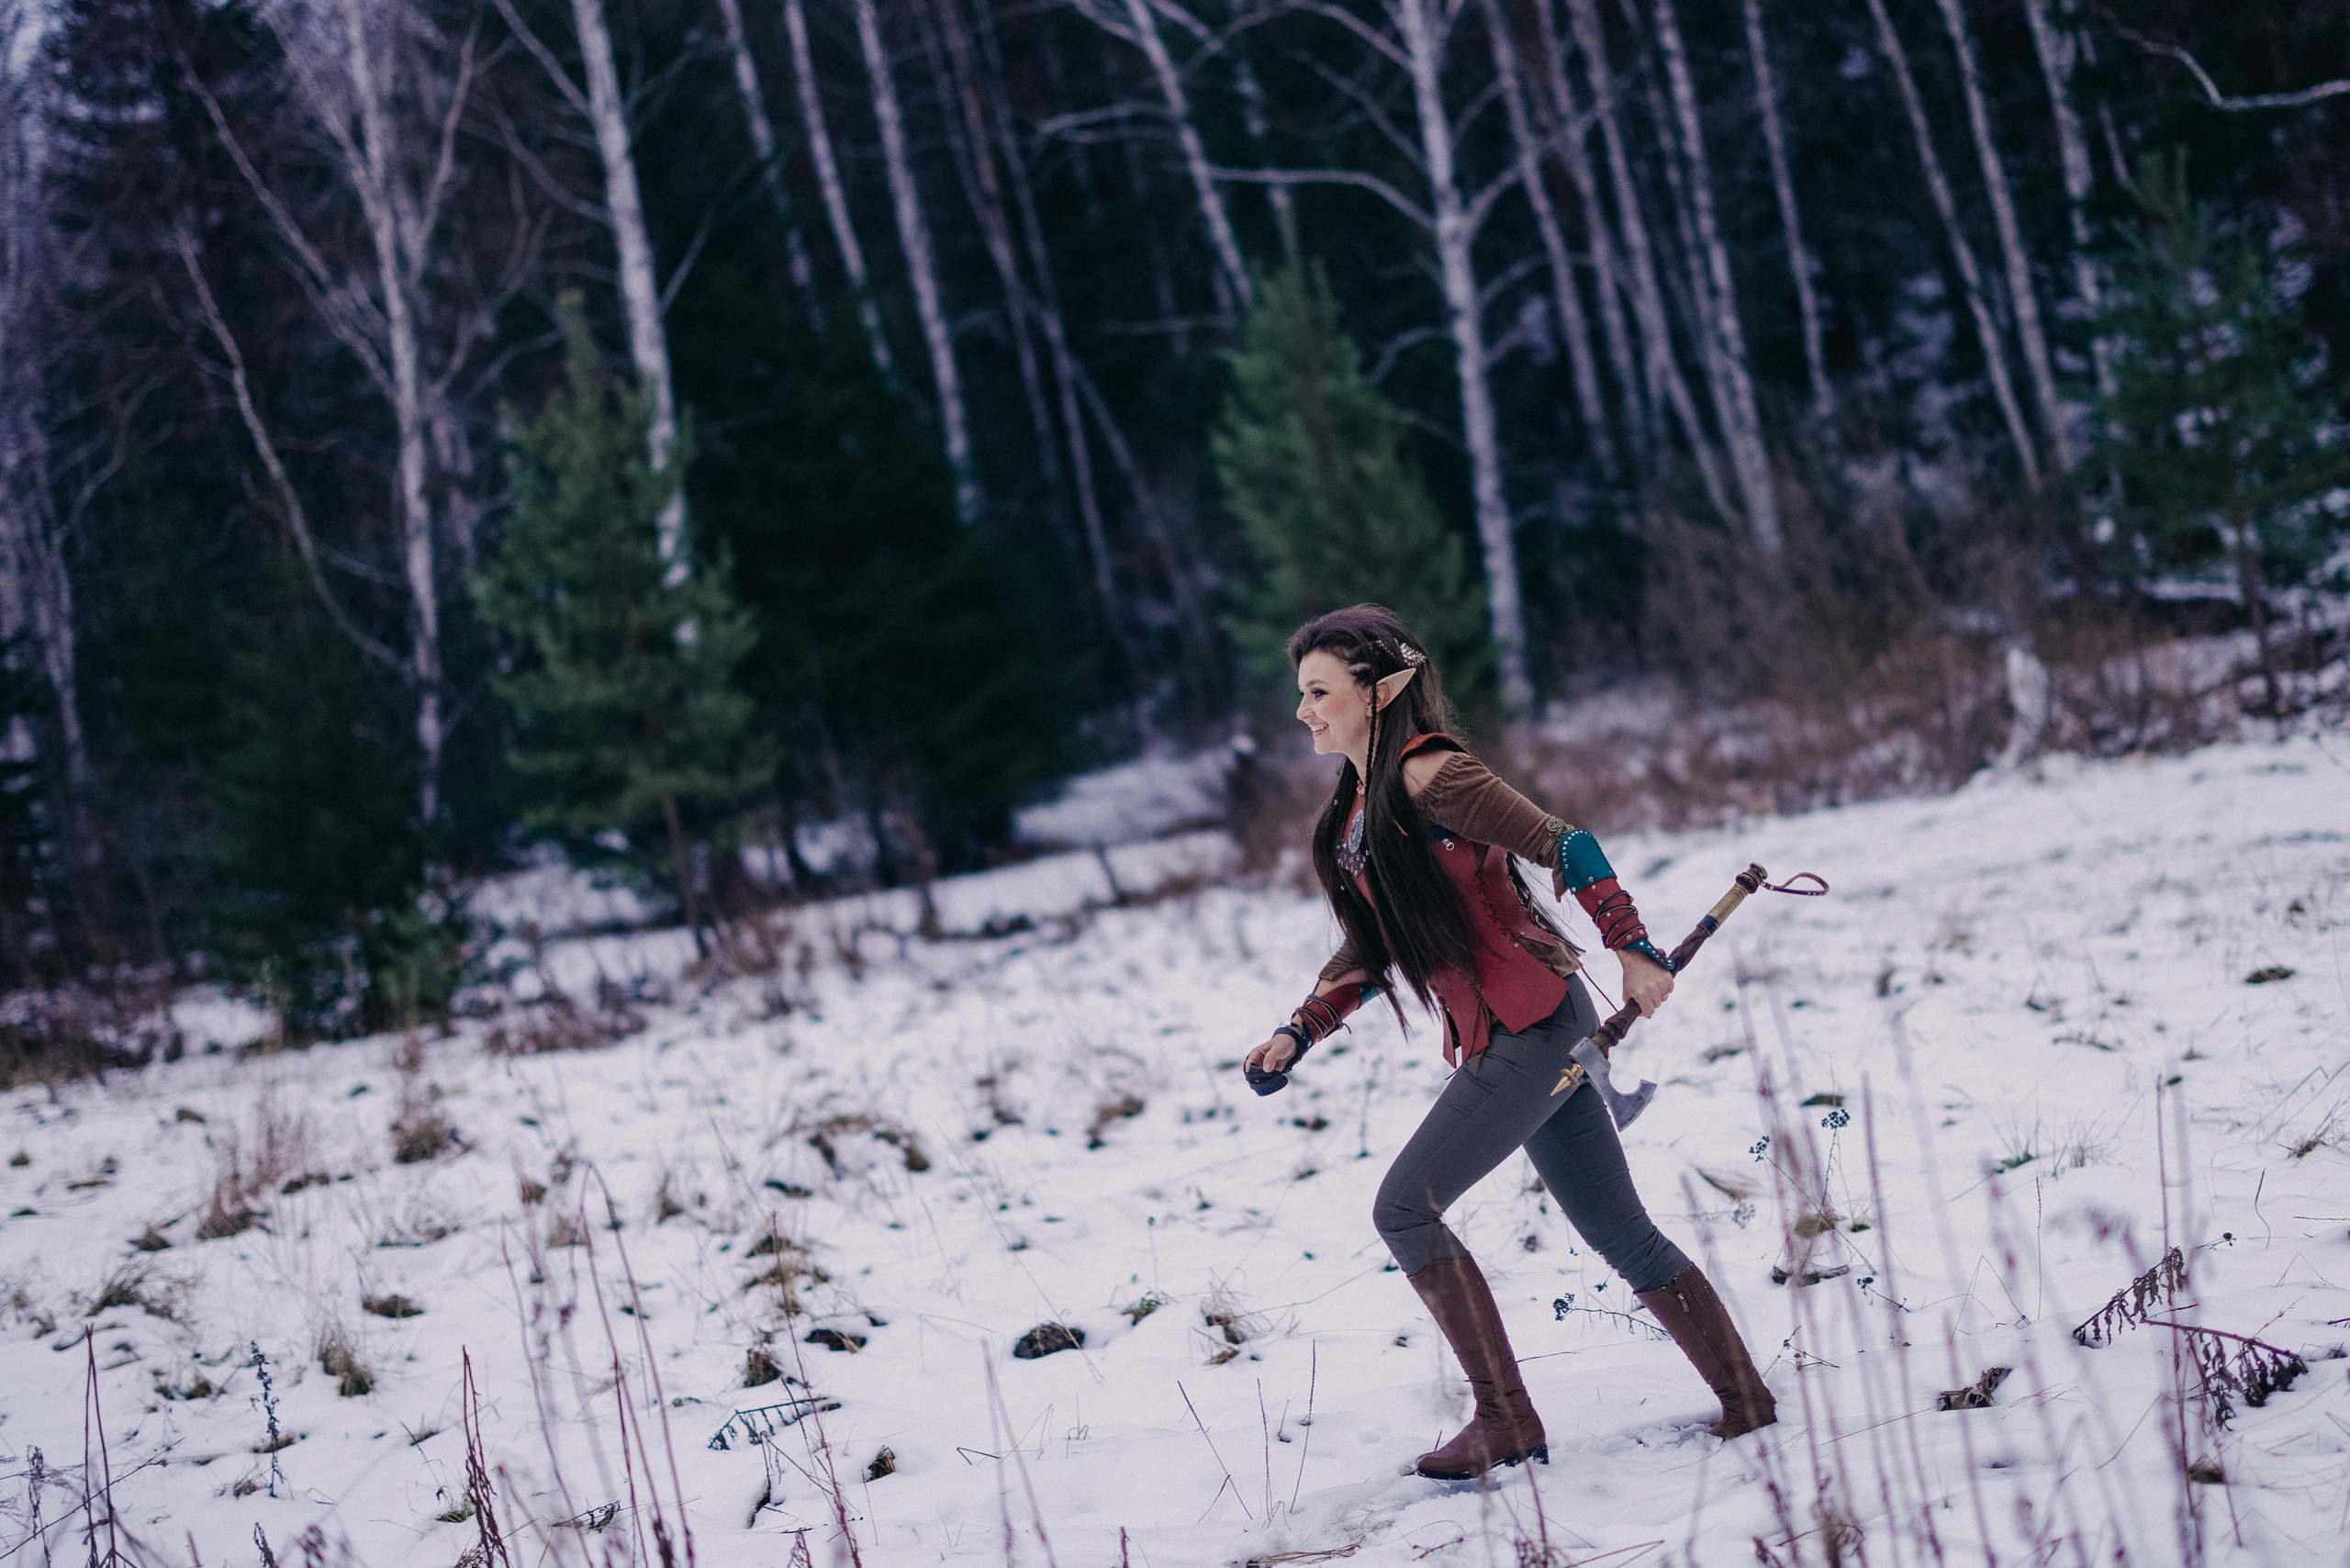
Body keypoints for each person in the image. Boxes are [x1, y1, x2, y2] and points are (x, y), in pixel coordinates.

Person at [1244, 605, 1776, 1482]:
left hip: (1532, 1028)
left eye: (1319, 692)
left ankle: (1506, 1420)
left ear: (1381, 691)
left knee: (1403, 1209)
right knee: (1621, 1230)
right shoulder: (1355, 808)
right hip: (1518, 1031)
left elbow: (1566, 843)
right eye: (1300, 693)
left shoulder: (1434, 775)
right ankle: (1745, 1400)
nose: (1303, 711)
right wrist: (1299, 1029)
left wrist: (1633, 948)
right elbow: (1377, 946)